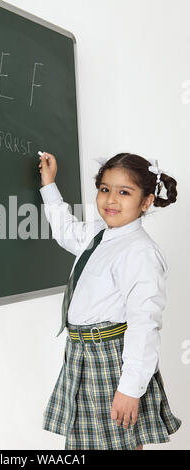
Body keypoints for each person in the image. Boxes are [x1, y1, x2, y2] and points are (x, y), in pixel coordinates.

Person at [38, 151, 182, 450]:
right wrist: (49, 185)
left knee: (121, 443)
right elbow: (66, 232)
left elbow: (145, 324)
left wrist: (130, 389)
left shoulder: (140, 252)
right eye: (105, 189)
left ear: (146, 201)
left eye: (124, 192)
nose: (111, 199)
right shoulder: (99, 234)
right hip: (82, 354)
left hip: (111, 358)